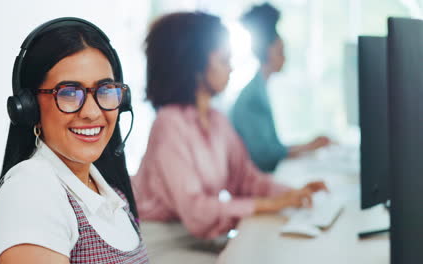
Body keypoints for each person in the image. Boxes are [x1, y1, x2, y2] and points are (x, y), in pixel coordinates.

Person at [132, 12, 327, 241]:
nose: (231, 68)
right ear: (195, 68)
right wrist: (270, 204)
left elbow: (246, 179)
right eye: (224, 60)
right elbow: (197, 211)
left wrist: (293, 193)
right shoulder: (168, 124)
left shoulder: (216, 119)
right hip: (163, 243)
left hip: (200, 238)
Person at [0, 18, 148, 264]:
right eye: (69, 93)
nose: (92, 112)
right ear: (29, 108)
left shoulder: (110, 193)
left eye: (105, 89)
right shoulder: (30, 191)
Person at [230, 3, 331, 173]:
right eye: (282, 51)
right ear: (270, 52)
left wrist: (309, 145)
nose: (286, 58)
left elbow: (271, 147)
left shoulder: (259, 89)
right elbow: (266, 155)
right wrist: (310, 145)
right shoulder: (252, 98)